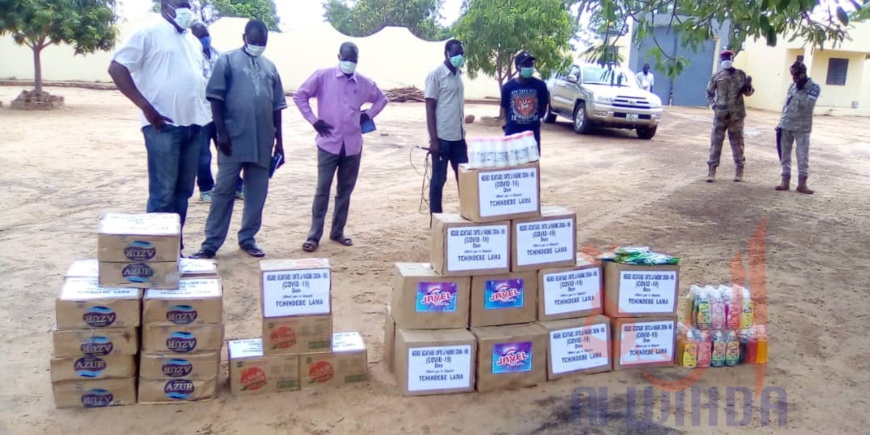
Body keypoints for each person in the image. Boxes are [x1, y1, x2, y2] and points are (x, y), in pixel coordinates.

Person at [108, 0, 211, 252]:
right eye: (180, 4)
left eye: (188, 4)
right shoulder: (148, 33)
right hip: (162, 127)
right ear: (166, 6)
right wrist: (146, 107)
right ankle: (154, 254)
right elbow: (117, 68)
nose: (186, 9)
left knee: (183, 192)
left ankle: (174, 250)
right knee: (163, 194)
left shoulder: (192, 41)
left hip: (193, 124)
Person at [189, 20, 286, 259]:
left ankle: (248, 238)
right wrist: (221, 133)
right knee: (223, 191)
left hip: (262, 141)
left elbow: (277, 107)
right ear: (244, 38)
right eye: (254, 41)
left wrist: (280, 142)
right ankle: (211, 244)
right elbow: (215, 98)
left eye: (262, 42)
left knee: (257, 194)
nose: (258, 45)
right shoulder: (227, 61)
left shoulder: (270, 67)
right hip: (233, 140)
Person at [294, 42, 388, 252]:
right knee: (322, 190)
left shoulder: (364, 82)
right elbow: (300, 96)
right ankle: (314, 235)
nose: (348, 63)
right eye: (345, 59)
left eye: (352, 60)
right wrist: (313, 120)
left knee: (345, 191)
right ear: (339, 57)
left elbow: (382, 99)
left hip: (353, 145)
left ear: (357, 61)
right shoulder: (322, 76)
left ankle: (337, 231)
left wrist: (367, 115)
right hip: (328, 143)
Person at [190, 21, 244, 203]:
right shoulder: (190, 56)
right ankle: (206, 188)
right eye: (200, 36)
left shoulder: (220, 54)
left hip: (220, 111)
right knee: (202, 154)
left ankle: (236, 185)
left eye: (206, 35)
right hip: (201, 112)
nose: (205, 39)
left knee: (227, 149)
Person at [425, 39, 467, 217]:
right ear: (446, 54)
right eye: (455, 53)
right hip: (442, 138)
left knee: (465, 178)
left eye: (461, 53)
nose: (459, 57)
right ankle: (436, 218)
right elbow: (429, 107)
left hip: (459, 137)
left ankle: (469, 212)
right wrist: (433, 140)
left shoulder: (458, 75)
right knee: (438, 180)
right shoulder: (435, 75)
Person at [705, 49, 754, 183]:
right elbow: (709, 93)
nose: (726, 61)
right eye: (724, 58)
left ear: (732, 59)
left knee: (738, 143)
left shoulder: (740, 75)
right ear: (721, 60)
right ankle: (712, 170)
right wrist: (713, 106)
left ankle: (739, 169)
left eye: (728, 58)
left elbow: (748, 93)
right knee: (715, 143)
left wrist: (748, 85)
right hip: (720, 115)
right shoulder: (716, 76)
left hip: (736, 116)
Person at [775, 61, 820, 194]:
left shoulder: (814, 87)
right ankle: (785, 181)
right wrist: (780, 123)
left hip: (802, 127)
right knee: (785, 154)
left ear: (803, 74)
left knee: (802, 155)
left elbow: (808, 105)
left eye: (796, 75)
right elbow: (786, 106)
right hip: (786, 125)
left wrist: (801, 90)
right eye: (792, 75)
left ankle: (802, 184)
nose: (793, 78)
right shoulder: (792, 87)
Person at [500, 51, 550, 155]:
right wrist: (510, 123)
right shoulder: (507, 87)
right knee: (512, 159)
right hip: (513, 132)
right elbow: (504, 109)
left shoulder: (540, 86)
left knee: (532, 161)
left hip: (532, 133)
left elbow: (543, 107)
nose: (529, 67)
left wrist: (531, 118)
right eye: (525, 65)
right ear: (517, 67)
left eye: (531, 64)